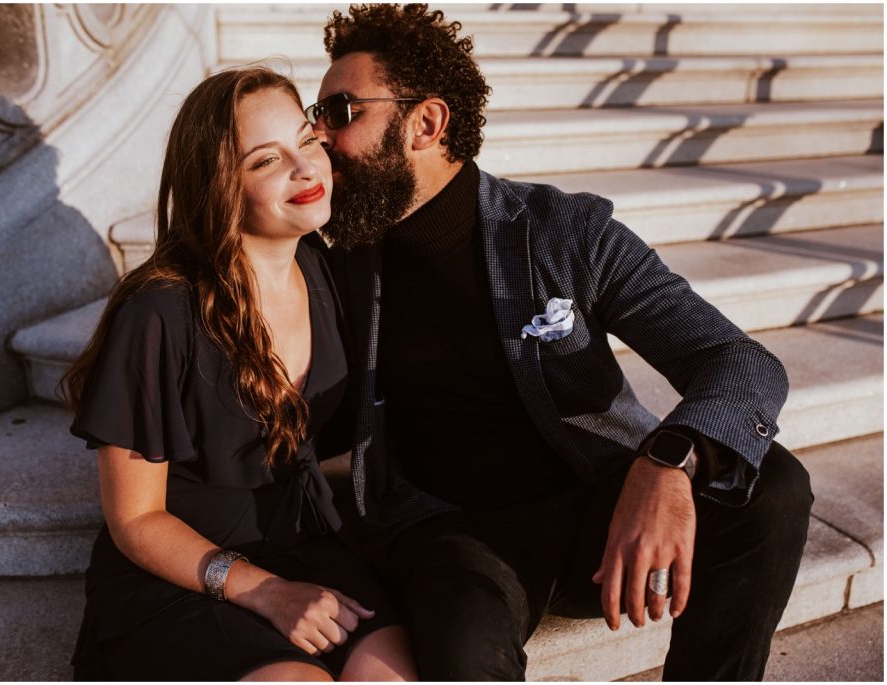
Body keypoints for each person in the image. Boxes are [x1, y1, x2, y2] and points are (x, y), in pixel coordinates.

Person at [303, 4, 814, 681]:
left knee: (771, 484)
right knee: (460, 655)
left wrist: (668, 461)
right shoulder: (335, 259)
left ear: (426, 123)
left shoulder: (561, 230)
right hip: (458, 532)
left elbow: (740, 361)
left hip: (594, 503)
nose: (319, 135)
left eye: (340, 111)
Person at [60, 66, 416, 682]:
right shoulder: (160, 312)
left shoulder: (322, 268)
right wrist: (265, 592)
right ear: (220, 186)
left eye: (306, 141)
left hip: (305, 544)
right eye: (264, 161)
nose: (305, 169)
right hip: (186, 570)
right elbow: (135, 519)